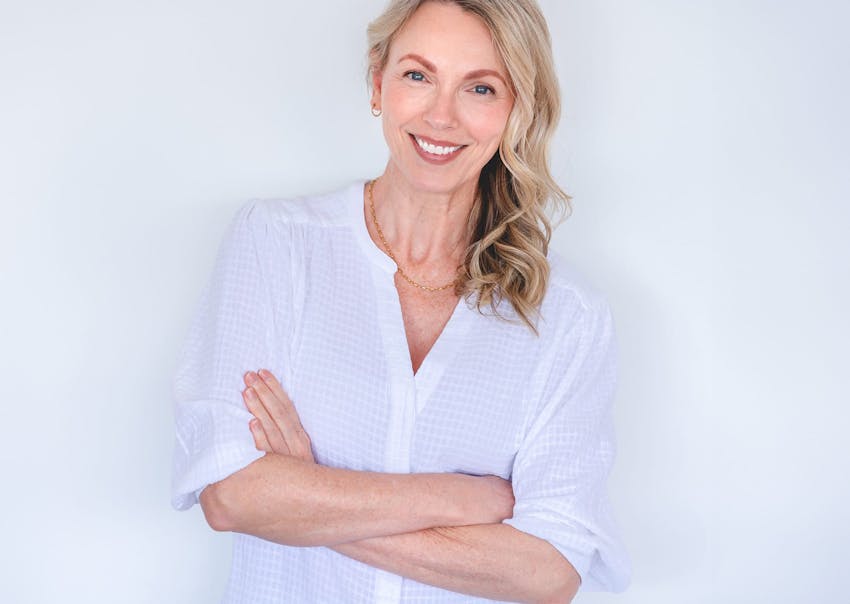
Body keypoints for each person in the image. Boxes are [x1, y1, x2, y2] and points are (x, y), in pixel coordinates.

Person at [171, 0, 630, 601]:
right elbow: (231, 493)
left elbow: (547, 574)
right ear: (377, 82)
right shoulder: (277, 244)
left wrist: (304, 496)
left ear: (518, 109)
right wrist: (462, 497)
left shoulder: (567, 316)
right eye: (418, 75)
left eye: (481, 88)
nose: (442, 116)